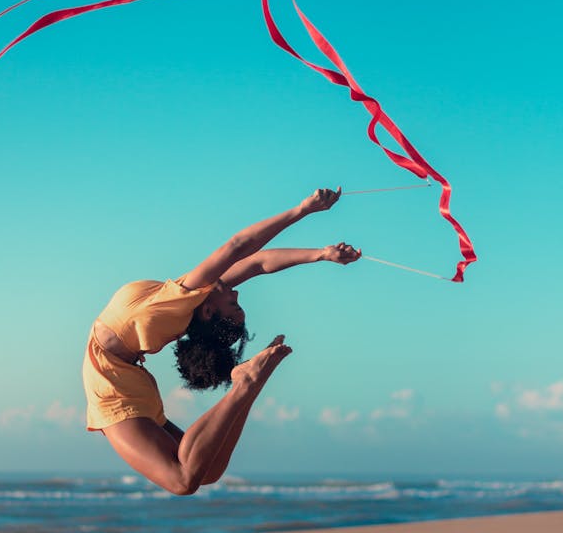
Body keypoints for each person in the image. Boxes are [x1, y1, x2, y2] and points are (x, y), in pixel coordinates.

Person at [82, 188, 361, 494]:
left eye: (234, 306)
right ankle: (247, 388)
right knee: (207, 471)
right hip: (126, 379)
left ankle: (244, 387)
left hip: (113, 386)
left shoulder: (178, 299)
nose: (237, 294)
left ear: (211, 311)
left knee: (183, 480)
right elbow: (258, 263)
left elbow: (239, 246)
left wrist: (303, 210)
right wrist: (320, 254)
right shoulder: (188, 302)